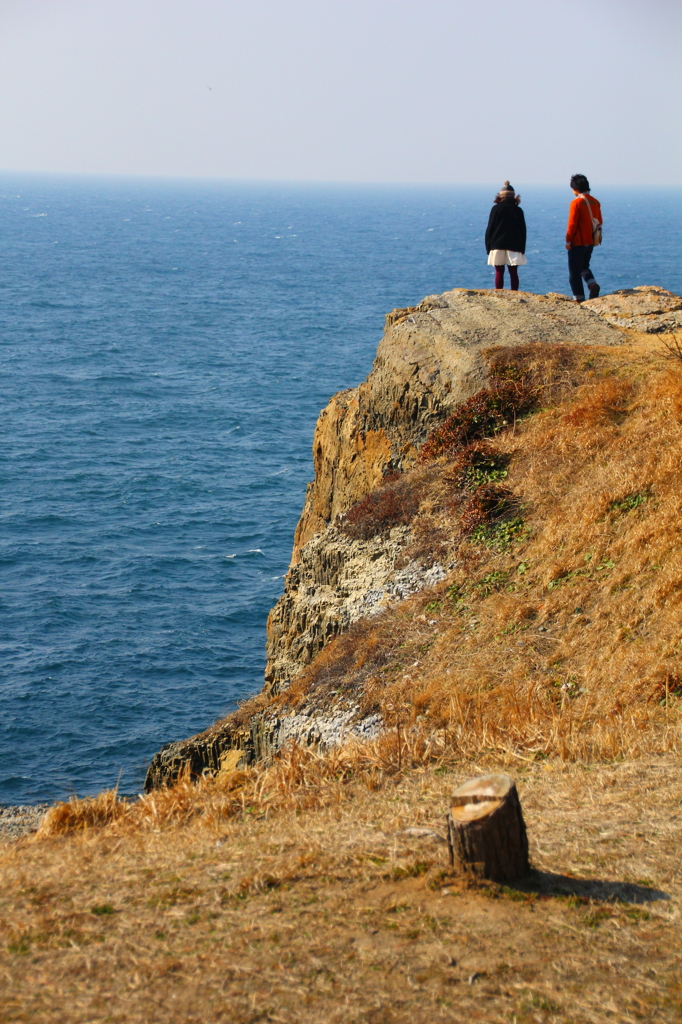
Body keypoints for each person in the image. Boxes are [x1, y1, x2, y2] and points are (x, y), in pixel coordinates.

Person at [565, 174, 602, 302]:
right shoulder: (596, 202)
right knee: (584, 267)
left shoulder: (576, 202)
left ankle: (579, 299)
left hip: (577, 242)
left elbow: (572, 224)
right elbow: (599, 221)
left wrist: (568, 241)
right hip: (590, 242)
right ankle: (592, 284)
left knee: (574, 273)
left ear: (575, 189)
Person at [485, 182, 527, 291]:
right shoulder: (518, 211)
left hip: (497, 244)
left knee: (499, 271)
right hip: (514, 245)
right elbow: (523, 231)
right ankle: (515, 293)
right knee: (513, 272)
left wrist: (488, 247)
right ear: (514, 197)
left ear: (500, 196)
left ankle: (499, 292)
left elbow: (490, 229)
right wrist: (522, 249)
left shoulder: (495, 209)